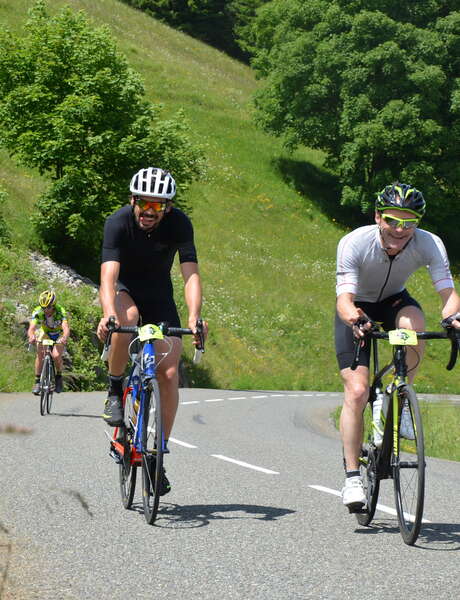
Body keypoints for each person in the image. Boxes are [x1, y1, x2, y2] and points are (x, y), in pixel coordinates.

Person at [335, 183, 460, 512]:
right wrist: (354, 320)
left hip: (394, 301)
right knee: (357, 391)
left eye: (410, 222)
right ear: (378, 216)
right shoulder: (354, 243)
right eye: (393, 220)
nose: (401, 230)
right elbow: (344, 300)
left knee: (414, 325)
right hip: (357, 308)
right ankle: (351, 478)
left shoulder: (430, 244)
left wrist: (453, 318)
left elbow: (447, 294)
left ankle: (399, 397)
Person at [96, 166, 207, 495]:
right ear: (133, 200)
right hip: (125, 289)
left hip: (159, 297)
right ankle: (115, 391)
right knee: (125, 317)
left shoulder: (179, 224)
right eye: (144, 202)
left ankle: (157, 454)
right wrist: (107, 314)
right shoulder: (117, 222)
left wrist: (194, 317)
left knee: (169, 374)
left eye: (157, 205)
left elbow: (191, 275)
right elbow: (108, 276)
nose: (149, 210)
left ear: (168, 207)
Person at [28, 290, 70, 394]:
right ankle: (37, 381)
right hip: (45, 332)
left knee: (56, 356)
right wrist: (31, 336)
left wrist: (64, 337)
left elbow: (65, 328)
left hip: (58, 333)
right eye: (43, 307)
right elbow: (31, 328)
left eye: (48, 307)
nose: (45, 310)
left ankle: (59, 377)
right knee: (40, 354)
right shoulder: (38, 312)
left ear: (54, 305)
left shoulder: (60, 311)